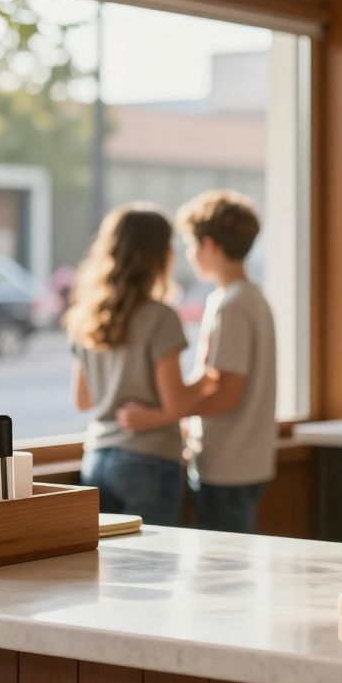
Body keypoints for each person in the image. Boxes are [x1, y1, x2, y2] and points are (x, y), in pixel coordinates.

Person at [117, 190, 276, 534]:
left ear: (210, 245)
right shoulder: (251, 298)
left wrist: (159, 415)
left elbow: (227, 392)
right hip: (248, 459)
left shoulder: (231, 305)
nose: (188, 255)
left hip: (228, 465)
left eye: (191, 245)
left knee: (225, 571)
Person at [68, 204, 215, 525]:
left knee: (106, 570)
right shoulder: (160, 317)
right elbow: (175, 403)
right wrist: (206, 381)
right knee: (153, 569)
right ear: (160, 256)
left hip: (97, 458)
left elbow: (83, 400)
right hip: (149, 461)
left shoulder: (88, 316)